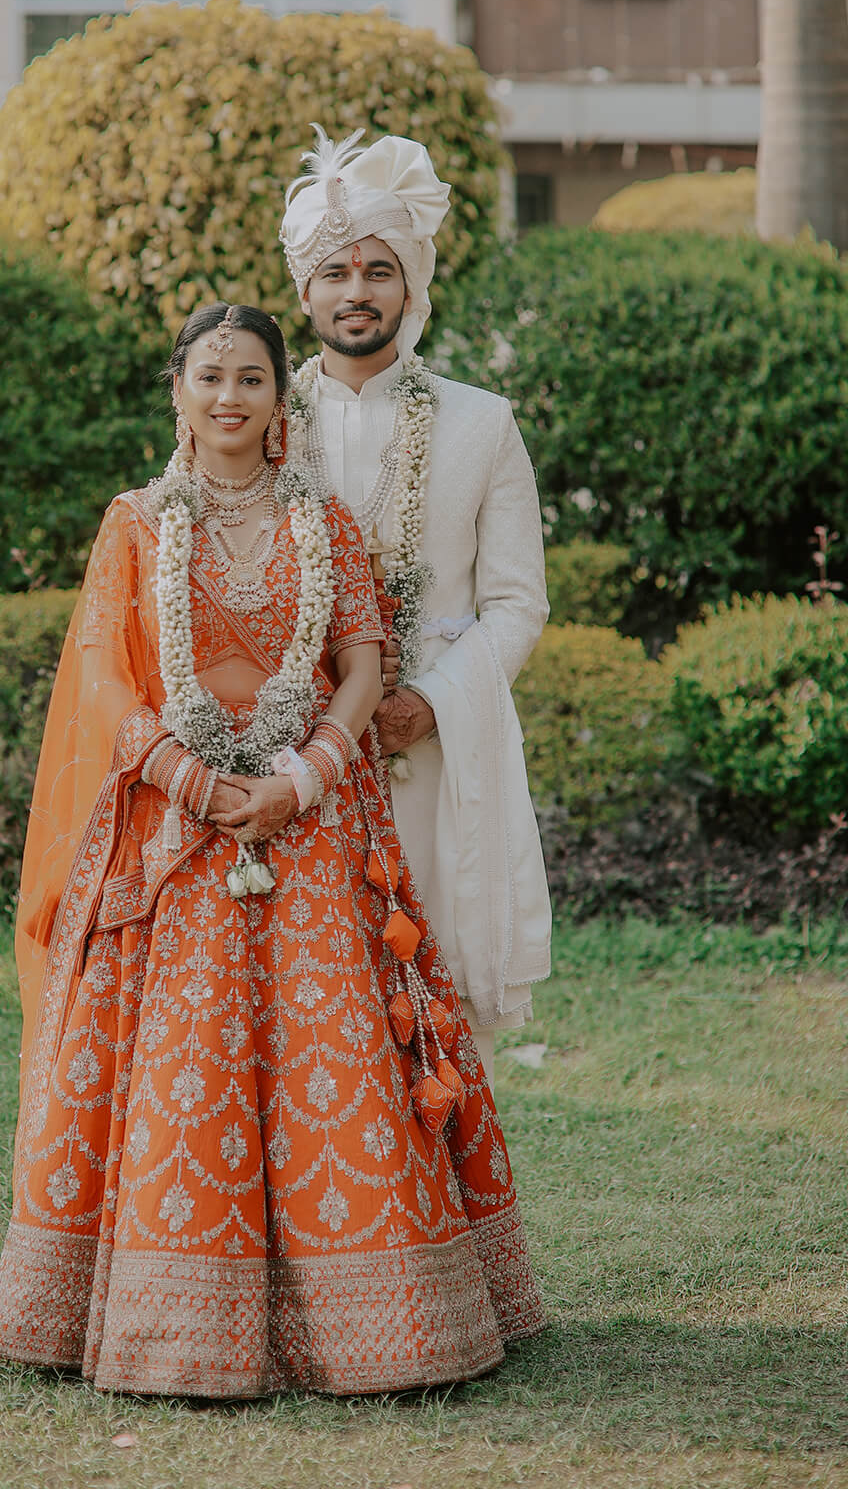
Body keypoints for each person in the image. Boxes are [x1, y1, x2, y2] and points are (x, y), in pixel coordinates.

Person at [0, 302, 545, 1397]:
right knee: (183, 1058)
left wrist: (302, 780)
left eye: (250, 378)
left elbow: (362, 665)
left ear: (280, 397)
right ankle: (168, 1327)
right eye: (210, 376)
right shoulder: (136, 523)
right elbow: (102, 677)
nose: (229, 396)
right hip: (171, 819)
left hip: (313, 813)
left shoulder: (321, 517)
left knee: (337, 1051)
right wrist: (188, 779)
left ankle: (378, 1324)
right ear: (177, 392)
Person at [280, 129, 552, 1077]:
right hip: (289, 746)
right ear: (304, 291)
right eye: (334, 271)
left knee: (437, 988)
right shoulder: (255, 419)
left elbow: (517, 604)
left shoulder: (484, 423)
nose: (356, 290)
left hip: (435, 749)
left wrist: (424, 706)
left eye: (378, 270)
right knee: (308, 996)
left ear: (411, 286)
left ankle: (445, 1165)